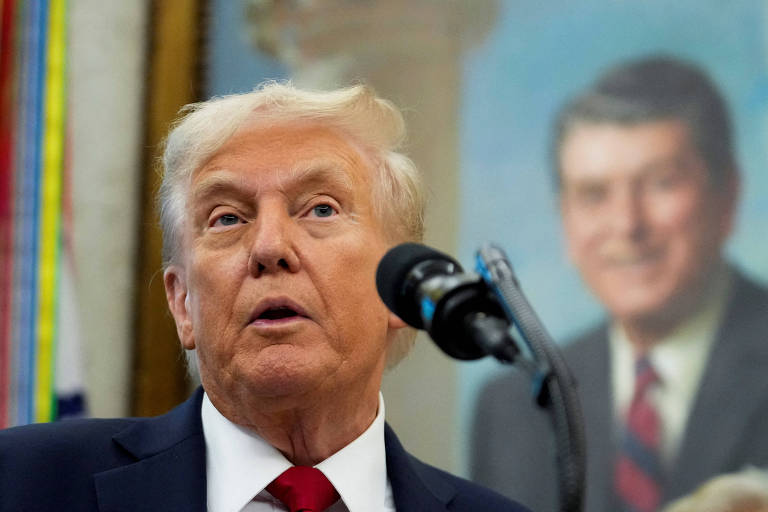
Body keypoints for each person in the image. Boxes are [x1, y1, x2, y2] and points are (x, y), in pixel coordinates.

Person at [0, 83, 529, 511]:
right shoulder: (22, 483)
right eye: (227, 218)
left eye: (320, 209)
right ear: (182, 304)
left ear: (399, 289)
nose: (269, 247)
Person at [471, 55, 768, 512]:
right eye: (594, 194)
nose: (627, 224)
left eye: (662, 183)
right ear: (564, 219)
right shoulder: (512, 409)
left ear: (727, 195)